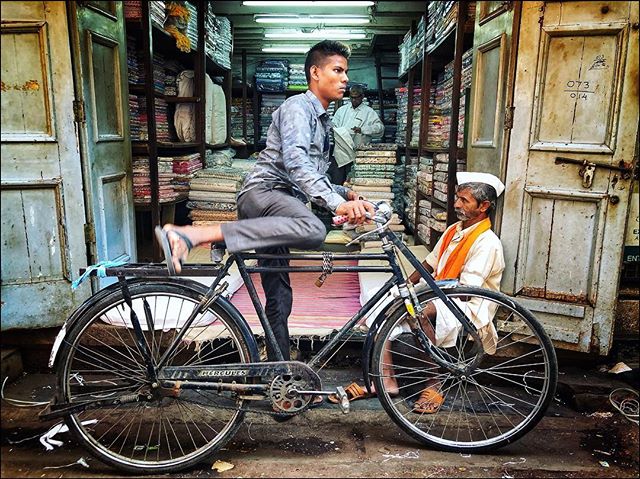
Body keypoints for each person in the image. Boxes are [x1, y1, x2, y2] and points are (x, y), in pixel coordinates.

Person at [156, 40, 375, 368]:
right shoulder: (297, 108)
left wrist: (344, 195)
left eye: (346, 71)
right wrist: (333, 204)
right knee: (313, 229)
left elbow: (312, 174)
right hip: (265, 195)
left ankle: (278, 372)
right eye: (337, 70)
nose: (345, 79)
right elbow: (296, 163)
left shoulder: (323, 121)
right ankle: (193, 235)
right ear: (315, 73)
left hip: (280, 202)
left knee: (279, 296)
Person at [328, 172, 505, 414]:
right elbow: (428, 266)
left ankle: (434, 384)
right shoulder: (455, 229)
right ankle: (385, 380)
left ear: (483, 206)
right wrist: (401, 289)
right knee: (380, 299)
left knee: (415, 310)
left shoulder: (487, 243)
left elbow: (464, 290)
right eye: (457, 198)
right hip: (440, 293)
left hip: (465, 302)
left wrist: (415, 299)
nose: (456, 205)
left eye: (464, 200)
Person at [331, 84, 384, 148]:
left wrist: (363, 130)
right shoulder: (341, 110)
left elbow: (380, 128)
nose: (354, 100)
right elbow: (333, 126)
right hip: (342, 151)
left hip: (361, 150)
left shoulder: (369, 112)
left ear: (362, 96)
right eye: (352, 97)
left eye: (356, 97)